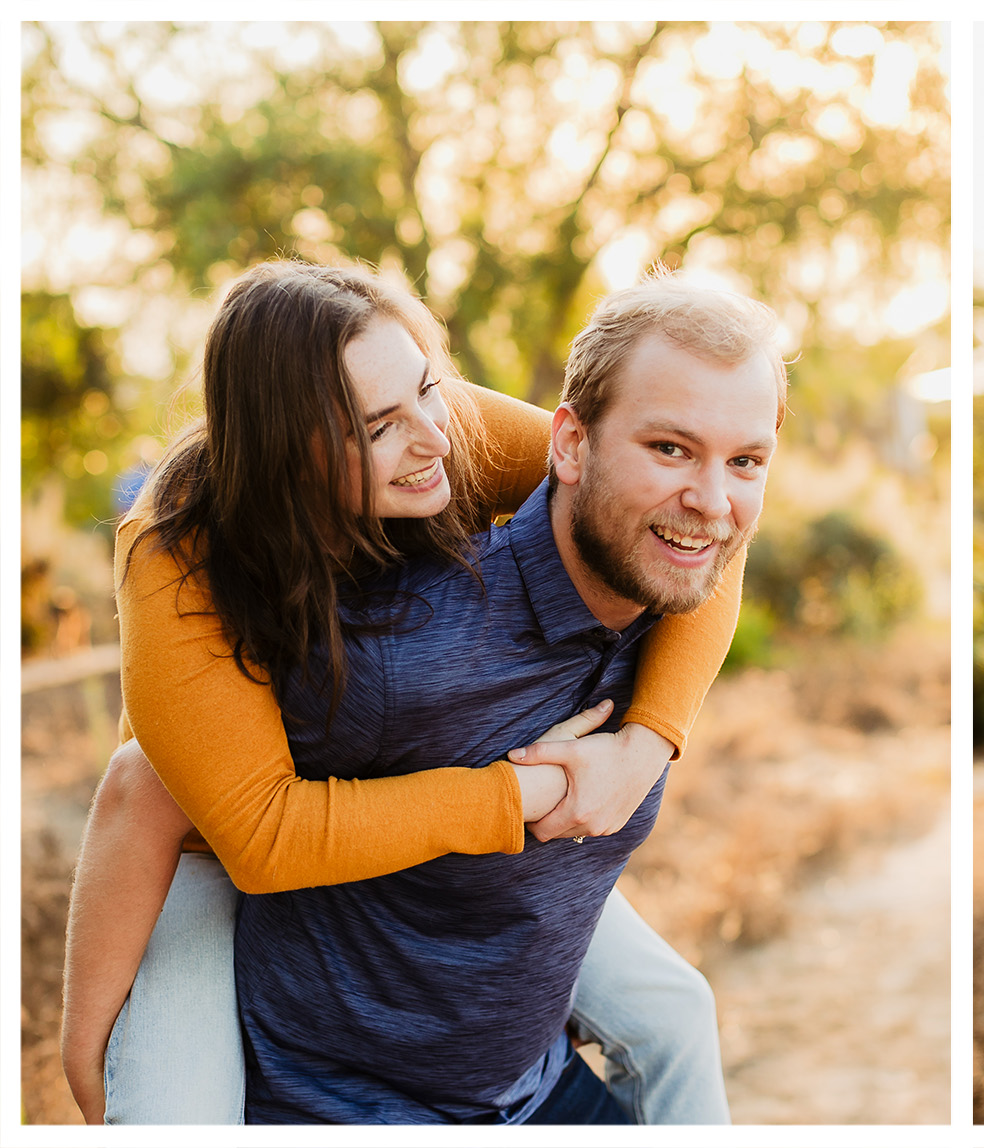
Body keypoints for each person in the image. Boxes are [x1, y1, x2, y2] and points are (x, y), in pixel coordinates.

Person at [61, 262, 747, 1122]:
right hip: (217, 845)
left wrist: (638, 750)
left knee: (676, 1012)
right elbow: (242, 829)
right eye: (379, 426)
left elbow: (691, 528)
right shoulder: (179, 553)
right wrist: (530, 790)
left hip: (413, 820)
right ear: (290, 450)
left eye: (427, 386)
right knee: (170, 1117)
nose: (434, 437)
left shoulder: (446, 427)